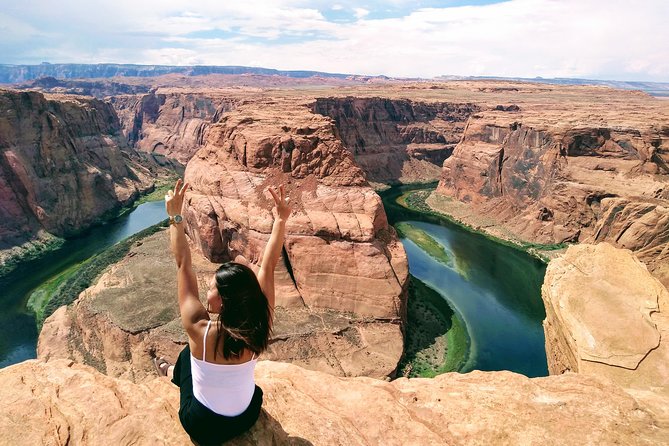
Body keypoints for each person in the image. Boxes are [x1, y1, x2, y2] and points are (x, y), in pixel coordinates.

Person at [154, 178, 290, 445]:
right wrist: (281, 220)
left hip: (204, 426)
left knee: (186, 355)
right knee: (253, 390)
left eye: (212, 288)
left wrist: (175, 217)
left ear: (224, 302)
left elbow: (183, 264)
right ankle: (173, 372)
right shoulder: (259, 322)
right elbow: (269, 266)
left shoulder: (201, 331)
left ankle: (170, 373)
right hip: (245, 416)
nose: (207, 291)